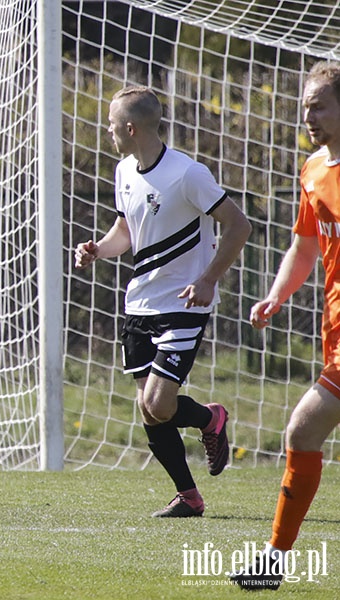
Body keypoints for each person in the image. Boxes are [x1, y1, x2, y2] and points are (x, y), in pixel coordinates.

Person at [74, 86, 251, 518]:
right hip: (139, 305)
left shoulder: (188, 174)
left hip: (183, 305)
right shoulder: (123, 171)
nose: (109, 131)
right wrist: (99, 248)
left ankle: (211, 419)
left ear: (131, 128)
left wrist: (209, 280)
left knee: (158, 405)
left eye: (113, 125)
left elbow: (238, 226)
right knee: (150, 412)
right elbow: (127, 232)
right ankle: (188, 496)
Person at [230, 61, 340, 591]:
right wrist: (277, 293)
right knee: (303, 431)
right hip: (335, 332)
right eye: (304, 107)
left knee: (302, 429)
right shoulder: (314, 169)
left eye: (319, 105)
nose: (308, 116)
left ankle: (273, 560)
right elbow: (305, 244)